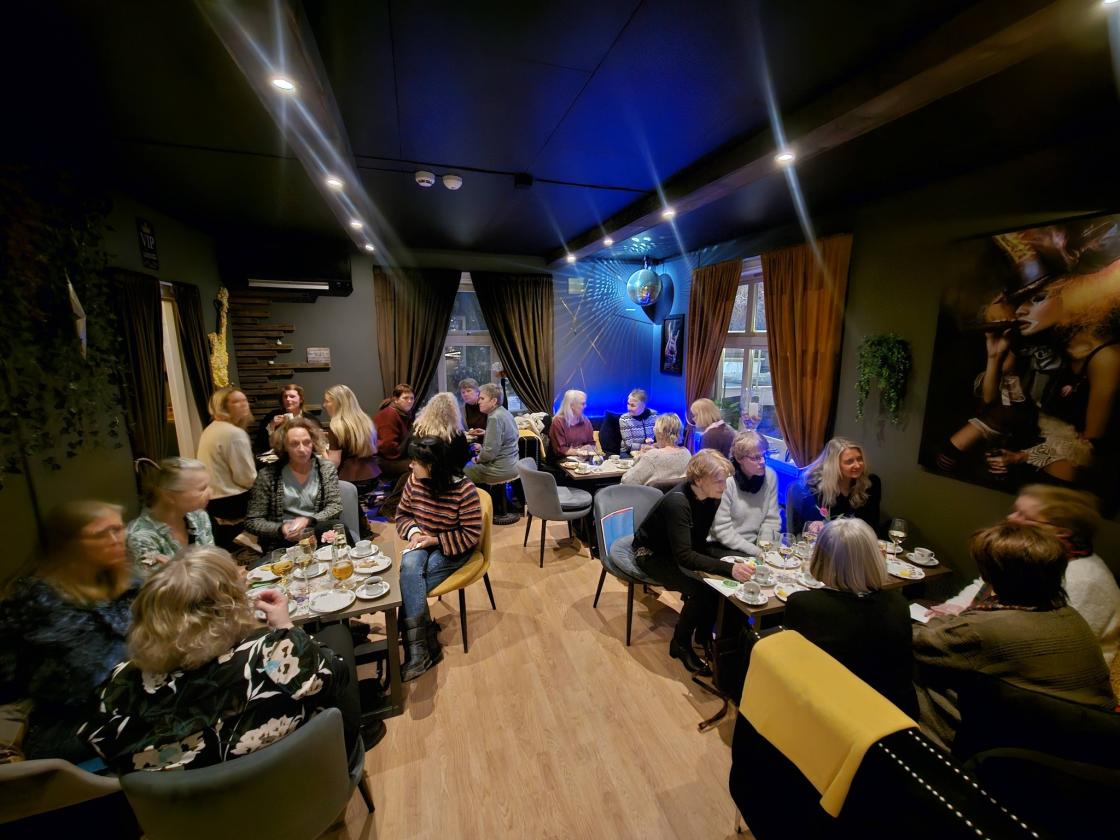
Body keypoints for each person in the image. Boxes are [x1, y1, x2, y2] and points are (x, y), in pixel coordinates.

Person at [81, 545, 369, 772]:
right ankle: (356, 744)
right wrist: (286, 628)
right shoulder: (273, 657)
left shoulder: (116, 689)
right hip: (297, 793)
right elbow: (336, 676)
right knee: (337, 637)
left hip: (188, 819)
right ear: (229, 605)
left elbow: (106, 752)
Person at [912, 522, 1115, 751]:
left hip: (1026, 748)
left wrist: (947, 618)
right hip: (1091, 739)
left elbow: (917, 642)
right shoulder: (1068, 613)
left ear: (994, 576)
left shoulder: (985, 628)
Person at [0, 501, 136, 762]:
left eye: (118, 529)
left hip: (128, 706)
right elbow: (82, 679)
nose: (115, 540)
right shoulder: (36, 601)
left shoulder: (129, 583)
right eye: (101, 534)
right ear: (67, 545)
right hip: (66, 724)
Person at [936, 485, 1120, 665]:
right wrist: (956, 607)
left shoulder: (1083, 580)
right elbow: (987, 582)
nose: (1010, 518)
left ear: (1062, 532)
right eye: (1015, 511)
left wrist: (965, 622)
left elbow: (1051, 647)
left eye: (1024, 515)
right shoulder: (1035, 558)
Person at [632, 450, 753, 675]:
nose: (724, 486)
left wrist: (735, 557)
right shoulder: (678, 503)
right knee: (702, 590)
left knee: (733, 563)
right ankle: (680, 643)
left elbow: (699, 540)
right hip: (650, 553)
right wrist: (729, 568)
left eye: (725, 480)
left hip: (678, 547)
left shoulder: (710, 497)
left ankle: (704, 635)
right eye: (718, 481)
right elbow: (685, 556)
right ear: (698, 480)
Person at [784, 519, 918, 716]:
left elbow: (790, 670)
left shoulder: (804, 604)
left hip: (832, 717)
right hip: (894, 715)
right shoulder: (899, 604)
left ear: (821, 558)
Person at [396, 437, 483, 681]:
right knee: (410, 569)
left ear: (432, 466)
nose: (410, 466)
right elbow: (402, 514)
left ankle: (418, 651)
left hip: (453, 548)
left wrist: (435, 540)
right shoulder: (414, 481)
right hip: (423, 539)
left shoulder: (463, 489)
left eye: (415, 462)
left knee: (408, 583)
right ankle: (424, 645)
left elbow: (470, 535)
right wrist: (414, 533)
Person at [245, 416, 344, 552]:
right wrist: (281, 529)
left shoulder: (325, 469)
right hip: (282, 540)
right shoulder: (268, 475)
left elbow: (335, 506)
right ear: (284, 446)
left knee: (339, 529)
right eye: (294, 444)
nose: (302, 449)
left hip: (317, 532)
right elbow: (253, 521)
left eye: (307, 442)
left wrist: (309, 520)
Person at [126, 458, 214, 578]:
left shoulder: (199, 516)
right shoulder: (140, 536)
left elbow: (212, 562)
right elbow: (162, 585)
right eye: (202, 488)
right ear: (170, 496)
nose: (210, 492)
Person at [197, 386, 257, 549]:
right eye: (236, 401)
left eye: (245, 400)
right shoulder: (233, 433)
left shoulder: (211, 428)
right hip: (232, 501)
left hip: (214, 501)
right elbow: (246, 477)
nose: (244, 404)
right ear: (222, 407)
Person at [787, 437, 881, 535]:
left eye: (859, 459)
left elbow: (872, 526)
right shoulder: (812, 490)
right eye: (849, 461)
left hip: (858, 541)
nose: (857, 465)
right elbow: (801, 531)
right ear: (833, 465)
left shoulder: (870, 485)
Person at [708, 431, 781, 557]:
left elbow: (772, 519)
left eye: (764, 455)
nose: (762, 461)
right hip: (723, 546)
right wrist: (756, 552)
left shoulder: (770, 476)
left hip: (756, 546)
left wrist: (765, 549)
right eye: (755, 458)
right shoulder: (726, 480)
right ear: (739, 459)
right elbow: (722, 530)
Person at [322, 384, 380, 497]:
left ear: (337, 403)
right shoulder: (366, 421)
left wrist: (321, 448)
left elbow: (332, 464)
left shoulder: (336, 427)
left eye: (327, 401)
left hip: (350, 483)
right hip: (373, 477)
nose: (324, 405)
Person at [464, 383, 520, 485]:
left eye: (482, 398)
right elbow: (507, 437)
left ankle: (480, 495)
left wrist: (476, 459)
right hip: (512, 465)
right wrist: (486, 434)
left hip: (499, 470)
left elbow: (489, 454)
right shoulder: (504, 412)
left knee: (463, 469)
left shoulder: (494, 417)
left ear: (494, 401)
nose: (479, 401)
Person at [373, 383, 416, 518]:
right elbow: (387, 447)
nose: (409, 401)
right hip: (382, 460)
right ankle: (390, 506)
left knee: (418, 465)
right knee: (416, 469)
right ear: (396, 399)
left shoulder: (403, 414)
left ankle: (402, 504)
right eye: (405, 398)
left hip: (393, 457)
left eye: (412, 398)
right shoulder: (389, 414)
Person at [621, 413, 691, 487]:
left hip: (648, 494)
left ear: (660, 434)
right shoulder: (687, 453)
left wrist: (639, 457)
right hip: (676, 494)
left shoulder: (652, 456)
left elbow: (627, 481)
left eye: (654, 429)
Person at [414, 391, 473, 473]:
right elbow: (463, 460)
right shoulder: (456, 434)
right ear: (453, 411)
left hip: (423, 472)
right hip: (449, 475)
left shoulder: (418, 428)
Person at [253, 383, 319, 454]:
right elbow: (261, 443)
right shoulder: (271, 416)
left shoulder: (310, 419)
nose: (288, 399)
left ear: (301, 400)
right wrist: (272, 426)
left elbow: (318, 443)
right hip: (277, 455)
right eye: (285, 396)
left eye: (292, 396)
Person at [548, 389, 596, 458]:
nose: (585, 406)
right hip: (561, 460)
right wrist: (580, 451)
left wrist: (589, 448)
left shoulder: (586, 421)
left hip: (582, 459)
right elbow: (560, 450)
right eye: (582, 404)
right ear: (572, 405)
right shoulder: (558, 422)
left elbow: (591, 444)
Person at [618, 389, 657, 455]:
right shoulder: (624, 419)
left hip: (650, 451)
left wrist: (654, 445)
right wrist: (647, 447)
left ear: (643, 405)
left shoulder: (654, 415)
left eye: (633, 405)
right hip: (629, 454)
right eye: (628, 404)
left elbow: (660, 438)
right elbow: (629, 445)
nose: (629, 408)